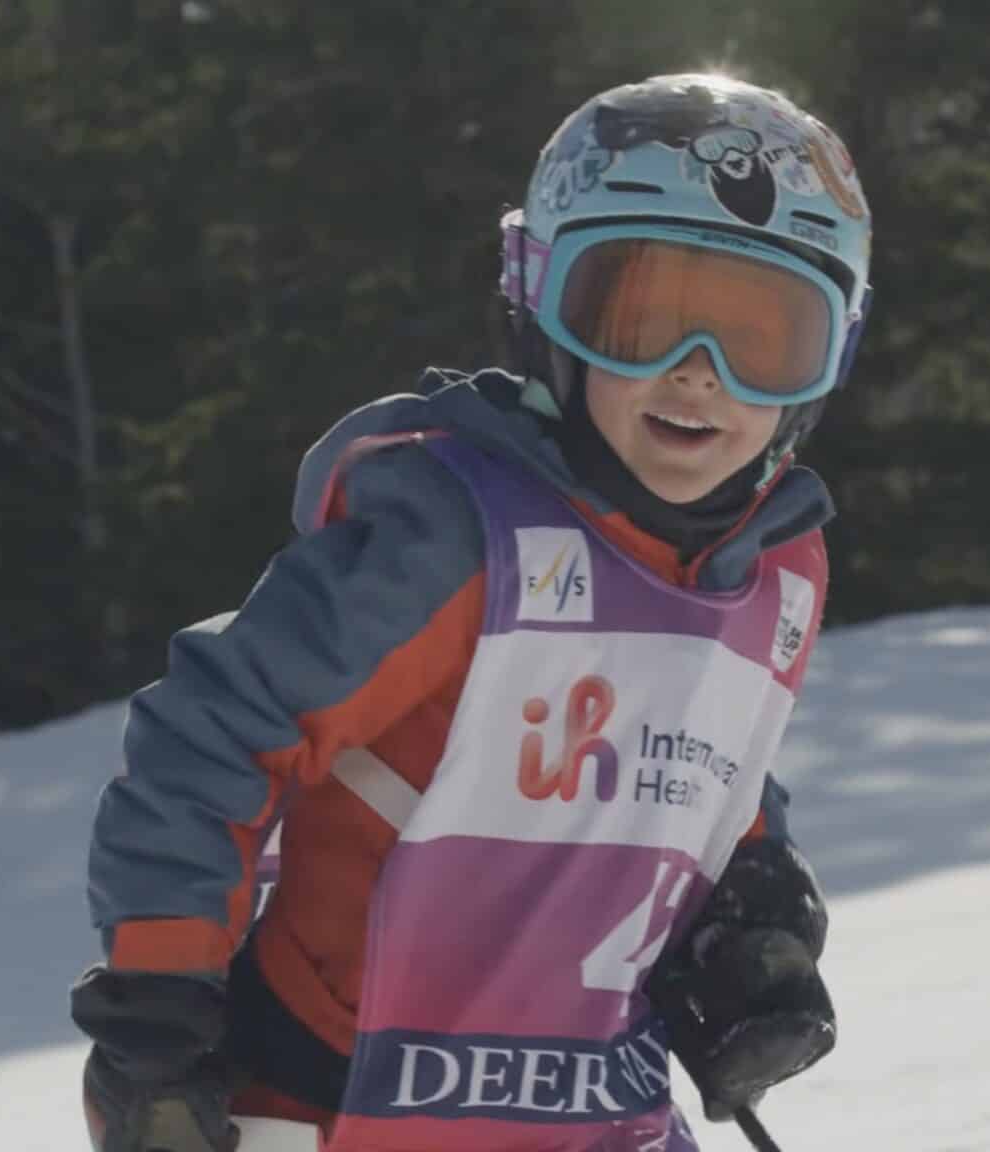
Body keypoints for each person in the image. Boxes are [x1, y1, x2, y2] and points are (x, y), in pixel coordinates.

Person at [70, 72, 874, 1152]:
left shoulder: (771, 576)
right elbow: (214, 727)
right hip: (335, 1099)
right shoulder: (454, 542)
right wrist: (158, 1012)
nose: (699, 378)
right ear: (543, 303)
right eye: (640, 318)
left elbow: (699, 772)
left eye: (761, 339)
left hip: (592, 1106)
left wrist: (747, 925)